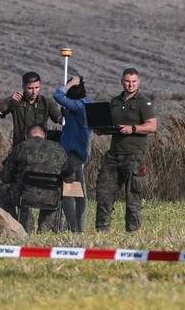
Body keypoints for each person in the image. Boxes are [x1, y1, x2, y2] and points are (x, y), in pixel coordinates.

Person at [95, 68, 158, 232]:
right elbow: (112, 123)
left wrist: (133, 128)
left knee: (133, 197)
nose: (130, 84)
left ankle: (132, 232)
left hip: (134, 156)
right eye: (127, 81)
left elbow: (152, 126)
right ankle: (101, 231)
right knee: (104, 194)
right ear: (122, 81)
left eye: (134, 81)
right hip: (114, 155)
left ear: (139, 82)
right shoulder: (115, 102)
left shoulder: (143, 102)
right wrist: (102, 129)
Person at [0, 125, 68, 233]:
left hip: (25, 195)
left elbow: (5, 176)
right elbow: (70, 177)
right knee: (54, 194)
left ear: (26, 136)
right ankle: (44, 228)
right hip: (51, 197)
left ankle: (21, 226)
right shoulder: (58, 149)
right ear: (44, 135)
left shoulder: (21, 147)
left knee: (1, 190)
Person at [54, 75, 91, 233]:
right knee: (79, 192)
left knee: (69, 192)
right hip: (77, 154)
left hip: (72, 154)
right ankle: (78, 228)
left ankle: (74, 228)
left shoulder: (79, 105)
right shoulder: (85, 102)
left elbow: (57, 95)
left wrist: (69, 84)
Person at [0, 71, 63, 147]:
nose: (34, 92)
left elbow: (60, 119)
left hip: (40, 147)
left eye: (37, 87)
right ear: (23, 87)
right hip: (20, 146)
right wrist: (9, 99)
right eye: (30, 88)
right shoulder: (16, 101)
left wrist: (66, 114)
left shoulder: (46, 102)